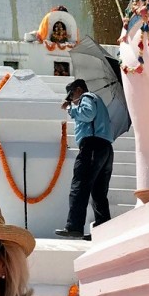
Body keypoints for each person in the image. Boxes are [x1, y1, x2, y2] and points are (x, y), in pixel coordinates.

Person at [55, 79, 114, 240]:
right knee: (99, 192)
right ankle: (103, 231)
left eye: (71, 95)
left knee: (79, 186)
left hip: (92, 146)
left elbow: (88, 115)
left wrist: (70, 108)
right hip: (105, 148)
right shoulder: (96, 99)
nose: (72, 99)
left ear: (79, 90)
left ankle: (74, 226)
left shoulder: (87, 97)